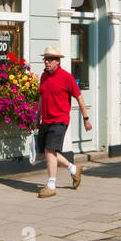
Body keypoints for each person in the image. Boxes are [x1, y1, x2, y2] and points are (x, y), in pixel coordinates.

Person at [36, 46, 91, 198]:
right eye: (45, 59)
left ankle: (51, 185)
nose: (47, 62)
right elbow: (42, 98)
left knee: (49, 150)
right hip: (46, 119)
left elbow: (79, 97)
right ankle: (74, 169)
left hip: (60, 120)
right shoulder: (44, 77)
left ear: (57, 61)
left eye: (50, 59)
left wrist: (86, 119)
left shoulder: (67, 77)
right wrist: (37, 117)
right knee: (48, 152)